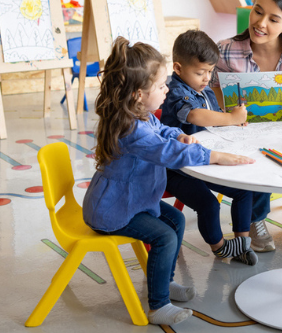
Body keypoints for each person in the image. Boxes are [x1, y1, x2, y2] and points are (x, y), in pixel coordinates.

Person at [82, 37, 254, 325]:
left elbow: (164, 132)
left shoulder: (141, 115)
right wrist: (213, 155)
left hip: (133, 200)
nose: (167, 90)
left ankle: (163, 282)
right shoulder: (132, 130)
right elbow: (169, 153)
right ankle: (158, 304)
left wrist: (179, 134)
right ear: (138, 94)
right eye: (161, 86)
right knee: (165, 235)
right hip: (114, 210)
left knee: (176, 220)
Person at [210, 0, 282, 252]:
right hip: (243, 133)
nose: (260, 23)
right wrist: (225, 104)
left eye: (273, 19)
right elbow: (209, 92)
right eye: (257, 12)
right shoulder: (225, 50)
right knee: (255, 154)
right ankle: (256, 219)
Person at [161, 29, 258, 265]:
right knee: (208, 204)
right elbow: (194, 116)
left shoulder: (203, 90)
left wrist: (232, 121)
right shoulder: (175, 91)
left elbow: (214, 117)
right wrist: (230, 119)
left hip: (207, 160)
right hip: (178, 169)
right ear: (178, 68)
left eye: (210, 71)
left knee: (245, 190)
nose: (207, 78)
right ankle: (220, 247)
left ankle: (242, 242)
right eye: (200, 72)